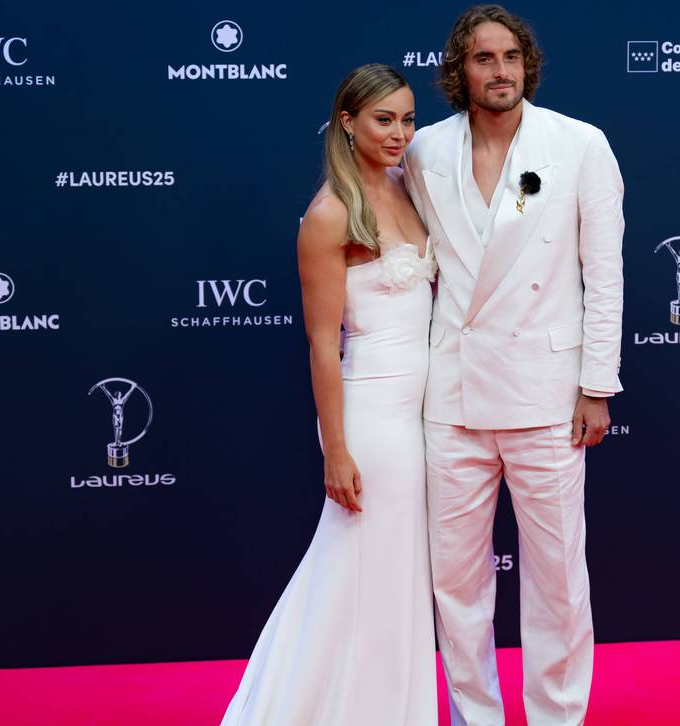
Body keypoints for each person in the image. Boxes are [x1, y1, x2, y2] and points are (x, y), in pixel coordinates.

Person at [401, 5, 625, 725]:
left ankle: (558, 715)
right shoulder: (425, 151)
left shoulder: (579, 143)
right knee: (455, 583)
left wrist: (596, 385)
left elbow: (605, 274)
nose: (499, 72)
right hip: (453, 395)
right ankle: (475, 717)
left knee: (558, 580)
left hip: (547, 395)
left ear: (526, 64)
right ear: (459, 71)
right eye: (482, 58)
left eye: (510, 58)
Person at [221, 63, 438, 726]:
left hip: (422, 410)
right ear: (346, 122)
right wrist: (336, 450)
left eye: (406, 118)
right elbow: (322, 346)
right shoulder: (329, 214)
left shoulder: (412, 188)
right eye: (383, 119)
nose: (399, 132)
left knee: (394, 576)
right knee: (358, 569)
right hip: (371, 417)